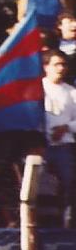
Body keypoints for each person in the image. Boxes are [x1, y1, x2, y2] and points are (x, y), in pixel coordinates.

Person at [43, 49, 76, 225]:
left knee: (68, 183)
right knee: (40, 187)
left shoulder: (71, 92)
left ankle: (66, 222)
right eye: (56, 64)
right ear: (46, 67)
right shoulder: (37, 88)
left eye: (63, 64)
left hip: (64, 147)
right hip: (40, 146)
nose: (61, 68)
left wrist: (66, 127)